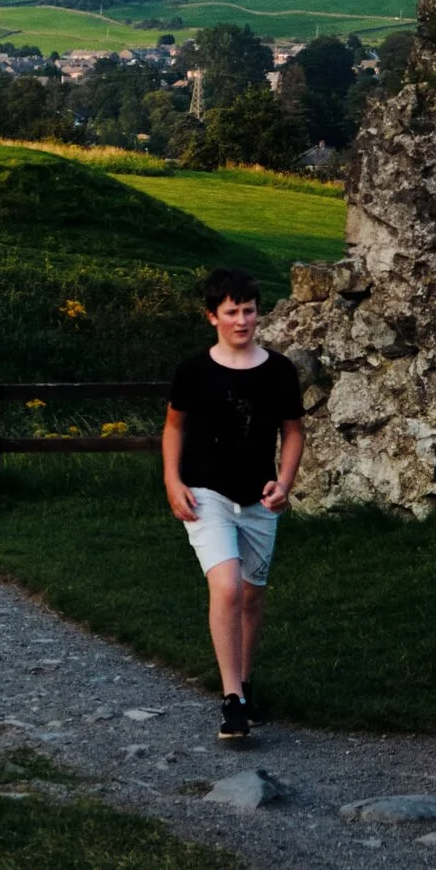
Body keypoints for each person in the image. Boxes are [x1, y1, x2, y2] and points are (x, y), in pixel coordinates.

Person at [161, 266, 306, 741]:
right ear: (212, 316)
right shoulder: (193, 371)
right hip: (207, 494)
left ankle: (243, 684)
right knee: (225, 587)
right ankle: (231, 702)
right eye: (231, 312)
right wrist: (172, 480)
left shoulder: (280, 370)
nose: (242, 320)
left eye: (249, 311)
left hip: (260, 497)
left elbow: (292, 433)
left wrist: (284, 483)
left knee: (250, 594)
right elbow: (174, 427)